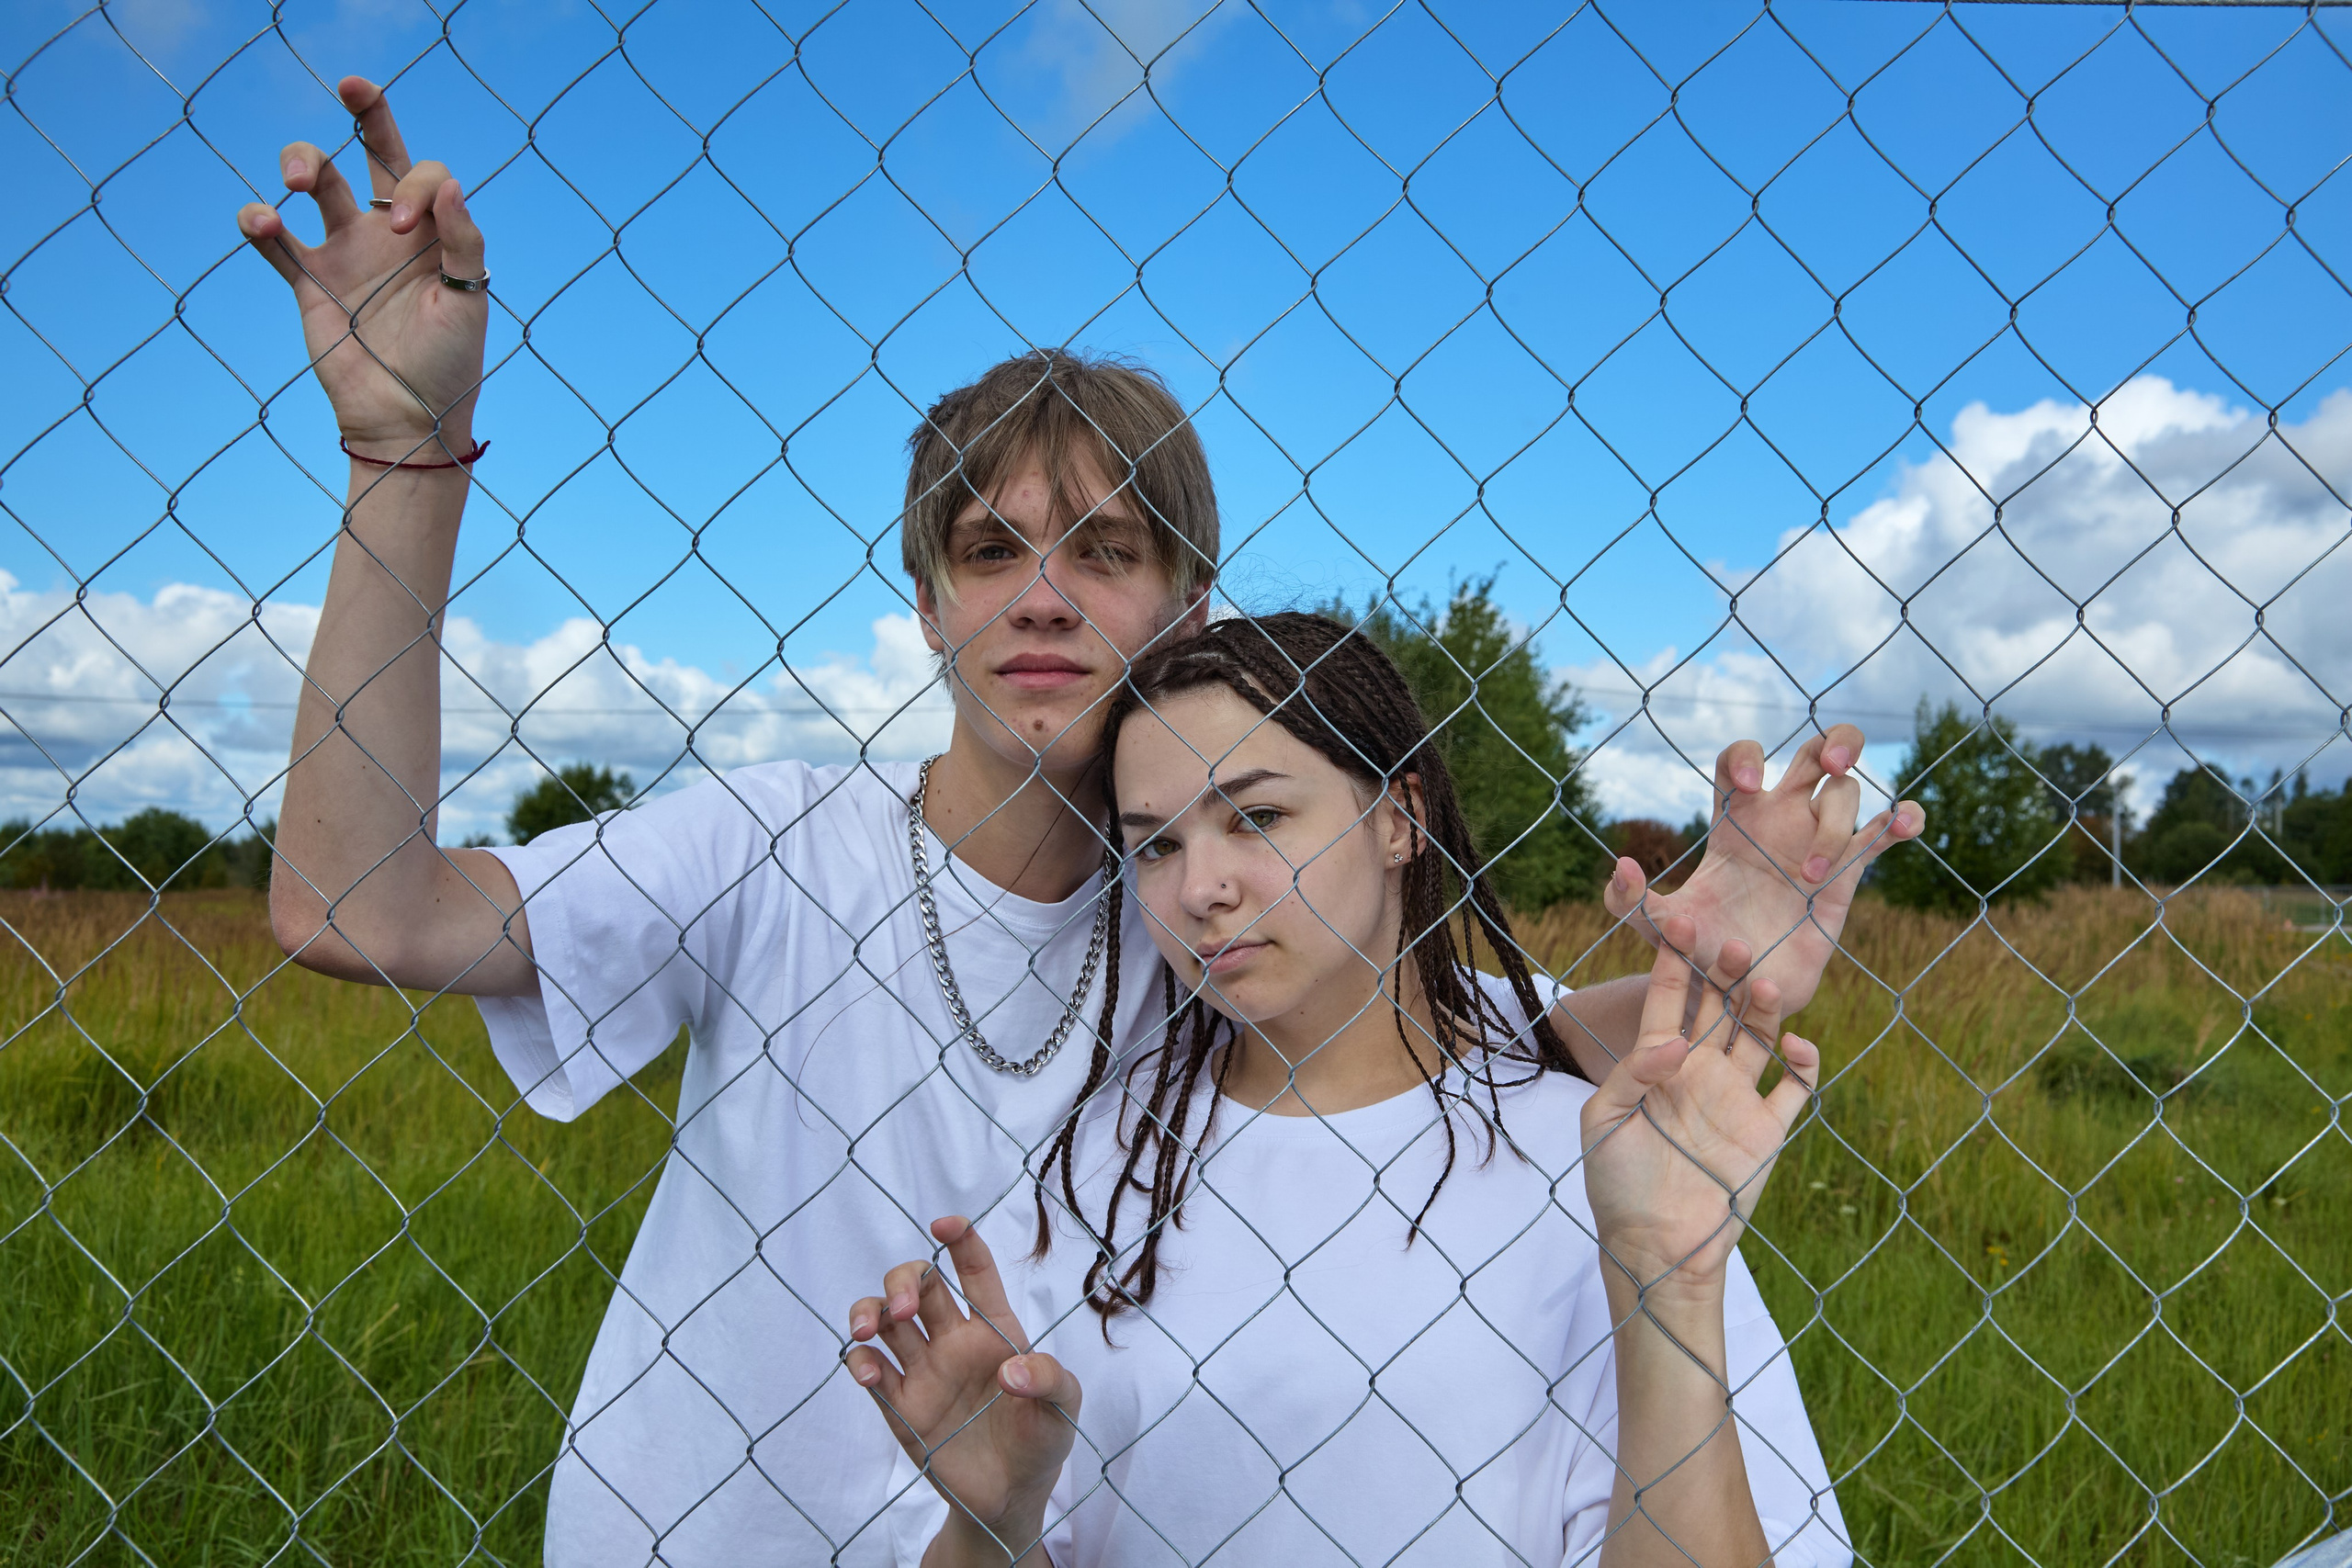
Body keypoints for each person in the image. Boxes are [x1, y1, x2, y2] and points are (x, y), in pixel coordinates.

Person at [237, 74, 1915, 1566]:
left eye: (1105, 550)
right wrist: (404, 458)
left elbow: (1484, 1044)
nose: (1041, 595)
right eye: (987, 549)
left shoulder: (1222, 909)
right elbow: (357, 907)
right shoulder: (772, 849)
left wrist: (1736, 968)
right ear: (922, 605)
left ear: (1186, 601)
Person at [848, 614, 1849, 1567]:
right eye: (1154, 843)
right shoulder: (1093, 1174)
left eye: (1258, 817)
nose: (1199, 887)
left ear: (1400, 820)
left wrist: (1666, 1283)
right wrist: (995, 1524)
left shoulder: (1599, 1159)